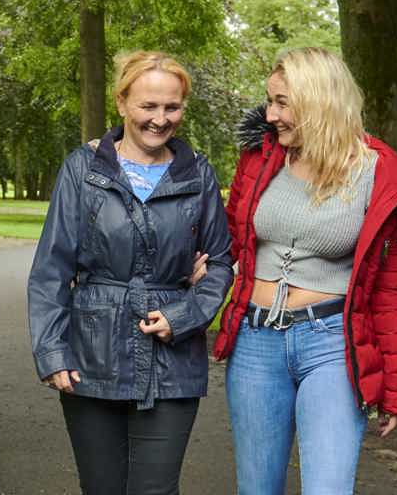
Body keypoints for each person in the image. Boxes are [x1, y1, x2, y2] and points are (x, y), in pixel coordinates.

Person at [212, 47, 397, 495]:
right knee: (257, 489)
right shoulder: (261, 157)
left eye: (282, 102)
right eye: (269, 100)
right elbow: (227, 236)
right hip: (255, 342)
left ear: (318, 101)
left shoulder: (379, 175)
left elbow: (390, 290)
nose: (270, 114)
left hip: (330, 345)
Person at [28, 50, 234, 495]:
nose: (160, 119)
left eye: (172, 107)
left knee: (154, 490)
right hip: (91, 354)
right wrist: (52, 351)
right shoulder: (83, 169)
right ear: (121, 103)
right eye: (148, 106)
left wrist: (184, 315)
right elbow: (51, 269)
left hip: (172, 363)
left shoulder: (198, 174)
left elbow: (220, 261)